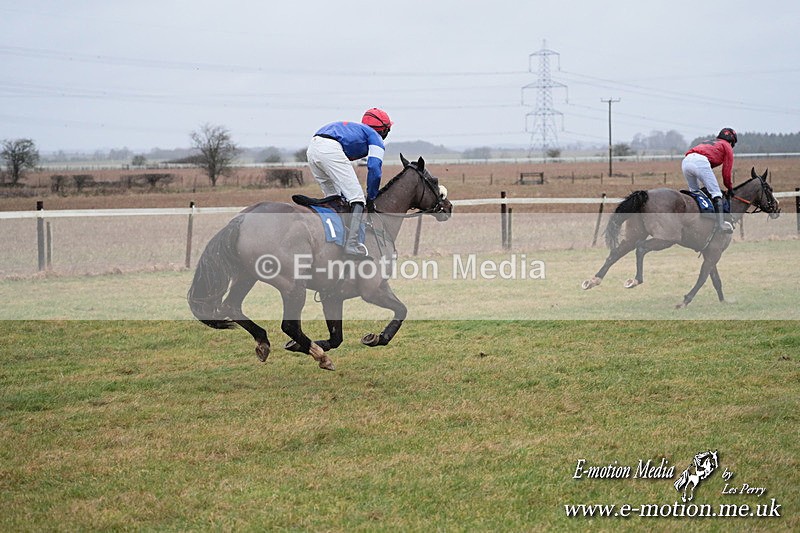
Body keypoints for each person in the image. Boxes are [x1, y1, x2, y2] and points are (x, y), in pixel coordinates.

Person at [306, 108, 392, 257]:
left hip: (312, 148)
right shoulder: (375, 137)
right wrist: (371, 197)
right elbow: (374, 169)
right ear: (384, 130)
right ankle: (352, 245)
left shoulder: (358, 130)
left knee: (336, 199)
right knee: (357, 198)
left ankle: (334, 240)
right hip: (330, 148)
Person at [682, 128, 738, 233]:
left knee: (695, 192)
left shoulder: (711, 141)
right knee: (716, 193)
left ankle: (694, 220)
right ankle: (721, 225)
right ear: (732, 141)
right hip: (700, 162)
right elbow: (726, 172)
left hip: (686, 161)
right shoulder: (727, 146)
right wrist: (729, 187)